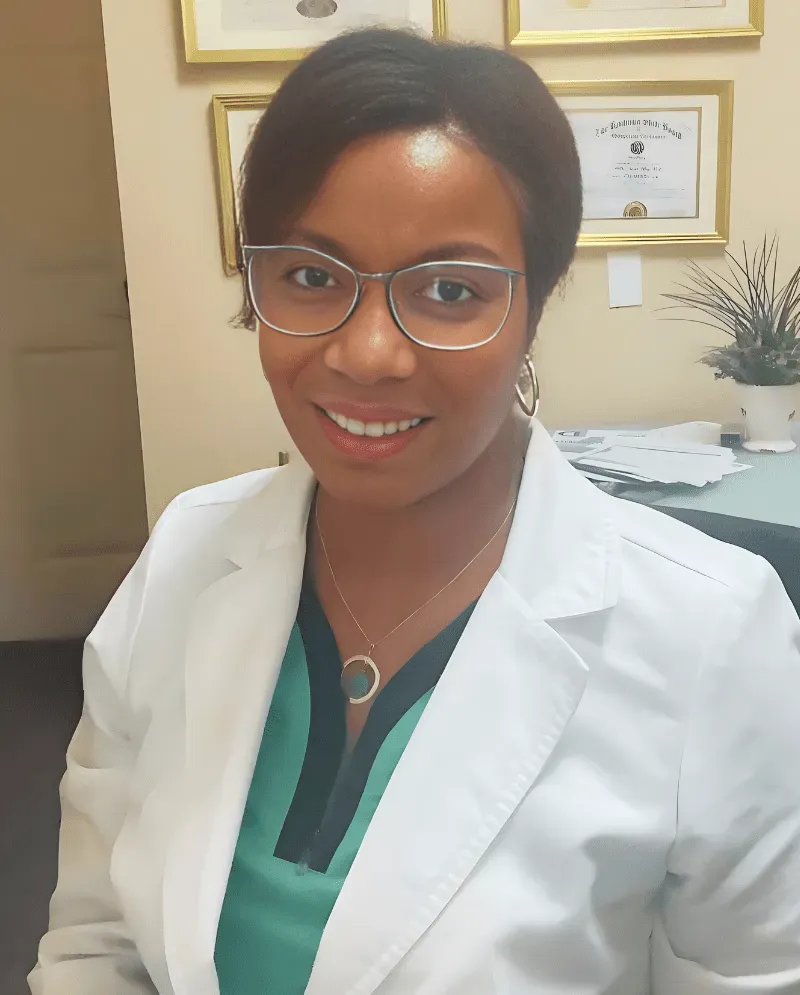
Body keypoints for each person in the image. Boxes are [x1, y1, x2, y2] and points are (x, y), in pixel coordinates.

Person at [30, 27, 800, 995]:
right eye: (310, 276)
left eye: (446, 290)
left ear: (534, 301)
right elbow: (95, 938)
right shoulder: (188, 551)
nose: (367, 354)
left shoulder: (708, 636)